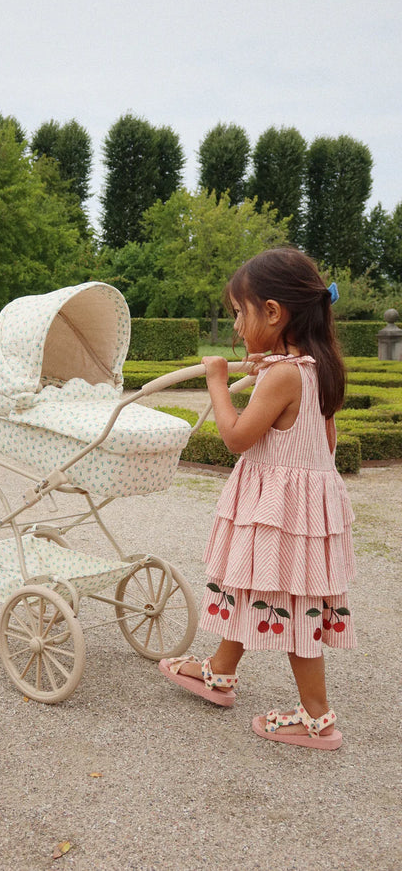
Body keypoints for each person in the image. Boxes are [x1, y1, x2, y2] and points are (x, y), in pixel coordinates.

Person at [159, 247, 356, 750]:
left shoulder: (285, 376)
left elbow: (236, 437)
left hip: (280, 510)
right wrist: (265, 367)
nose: (237, 327)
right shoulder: (317, 368)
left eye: (239, 313)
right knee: (255, 588)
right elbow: (324, 444)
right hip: (303, 509)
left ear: (273, 312)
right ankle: (220, 671)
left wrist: (218, 381)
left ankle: (317, 719)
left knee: (291, 609)